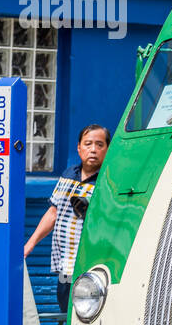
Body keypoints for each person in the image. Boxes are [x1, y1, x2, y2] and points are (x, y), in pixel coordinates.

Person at [25, 124, 111, 311]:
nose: (93, 150)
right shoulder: (68, 174)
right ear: (79, 148)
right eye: (88, 144)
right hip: (66, 262)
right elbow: (53, 212)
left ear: (108, 148)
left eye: (99, 144)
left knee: (87, 310)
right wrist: (30, 244)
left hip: (90, 263)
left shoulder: (108, 180)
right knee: (65, 306)